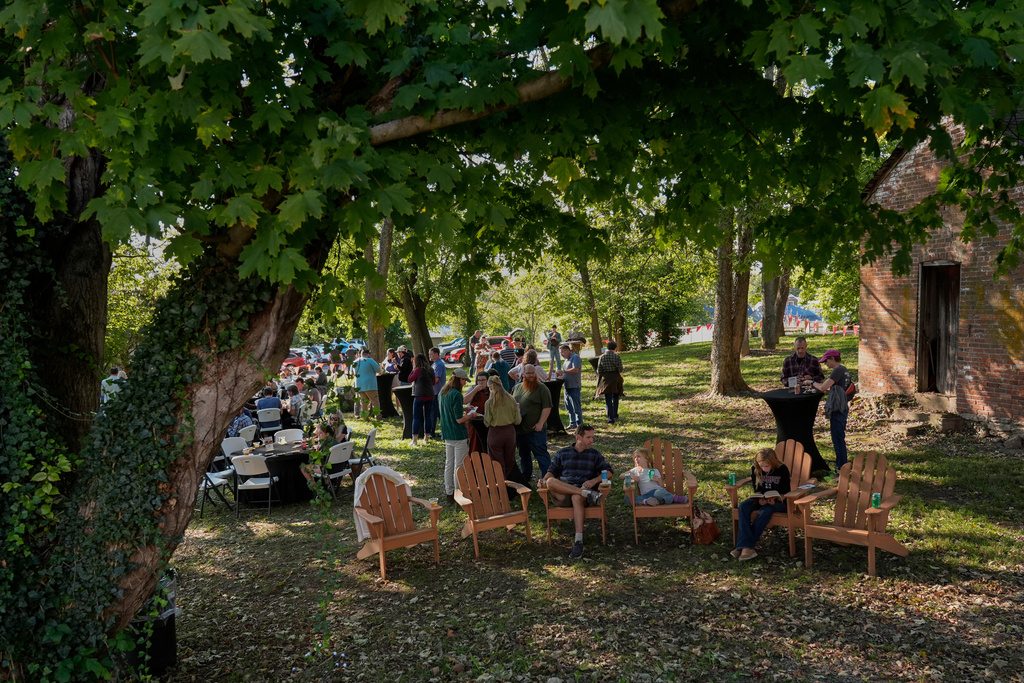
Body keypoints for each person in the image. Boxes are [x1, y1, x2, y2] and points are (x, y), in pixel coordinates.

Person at [542, 424, 611, 559]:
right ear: (579, 437)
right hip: (563, 493)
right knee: (550, 482)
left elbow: (608, 472)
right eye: (588, 437)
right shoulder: (563, 453)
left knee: (576, 497)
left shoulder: (594, 454)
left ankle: (578, 541)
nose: (592, 440)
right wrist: (543, 480)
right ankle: (584, 493)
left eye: (593, 437)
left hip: (581, 495)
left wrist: (594, 481)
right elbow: (551, 471)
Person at [731, 447, 791, 561]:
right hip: (762, 499)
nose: (764, 468)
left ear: (773, 462)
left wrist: (775, 499)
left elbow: (786, 492)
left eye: (766, 466)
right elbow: (757, 490)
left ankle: (744, 546)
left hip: (779, 503)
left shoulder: (782, 469)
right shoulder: (756, 469)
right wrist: (759, 499)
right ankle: (747, 547)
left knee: (766, 510)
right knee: (743, 506)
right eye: (761, 466)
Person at [811, 349, 853, 472]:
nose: (825, 364)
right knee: (838, 438)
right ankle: (841, 465)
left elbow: (823, 387)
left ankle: (841, 468)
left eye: (826, 361)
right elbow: (835, 390)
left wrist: (812, 382)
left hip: (838, 409)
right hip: (842, 407)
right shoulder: (844, 370)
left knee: (837, 438)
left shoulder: (838, 370)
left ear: (832, 359)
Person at [512, 364, 552, 481]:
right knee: (523, 455)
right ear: (523, 374)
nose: (531, 375)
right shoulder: (517, 388)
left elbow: (547, 407)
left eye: (533, 373)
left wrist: (540, 423)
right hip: (520, 429)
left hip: (535, 430)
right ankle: (526, 477)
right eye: (528, 373)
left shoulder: (542, 388)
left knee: (541, 455)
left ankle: (548, 479)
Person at [439, 368, 474, 503]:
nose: (465, 383)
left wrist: (464, 408)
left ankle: (449, 492)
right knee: (459, 466)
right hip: (458, 435)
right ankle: (459, 493)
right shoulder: (457, 394)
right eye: (464, 380)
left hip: (447, 433)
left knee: (449, 464)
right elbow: (459, 419)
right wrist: (471, 415)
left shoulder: (443, 392)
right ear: (460, 380)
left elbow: (450, 409)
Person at [483, 374, 522, 477]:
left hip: (495, 433)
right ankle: (507, 481)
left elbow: (487, 422)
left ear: (490, 387)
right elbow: (518, 420)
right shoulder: (511, 399)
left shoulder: (489, 402)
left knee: (496, 461)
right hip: (510, 432)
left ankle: (500, 482)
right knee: (509, 460)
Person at [621, 448, 688, 506]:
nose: (636, 459)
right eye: (635, 457)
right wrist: (631, 475)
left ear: (647, 459)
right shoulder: (635, 470)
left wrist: (658, 480)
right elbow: (621, 476)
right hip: (646, 495)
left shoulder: (654, 470)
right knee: (628, 498)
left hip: (657, 492)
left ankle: (673, 498)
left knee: (659, 492)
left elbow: (662, 486)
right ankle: (647, 502)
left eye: (638, 456)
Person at [407, 353, 435, 446]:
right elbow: (433, 382)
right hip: (430, 395)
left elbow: (410, 379)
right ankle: (426, 438)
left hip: (419, 395)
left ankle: (414, 439)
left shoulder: (418, 370)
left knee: (416, 417)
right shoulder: (430, 369)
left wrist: (413, 370)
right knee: (428, 416)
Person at [595, 340, 624, 424]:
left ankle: (610, 419)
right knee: (616, 396)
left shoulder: (602, 357)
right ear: (615, 348)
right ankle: (615, 414)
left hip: (606, 379)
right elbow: (620, 369)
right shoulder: (617, 356)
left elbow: (599, 370)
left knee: (608, 398)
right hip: (615, 378)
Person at [556, 343, 583, 429]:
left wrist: (563, 371)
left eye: (562, 352)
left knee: (576, 407)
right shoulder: (566, 360)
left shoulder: (575, 357)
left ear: (568, 350)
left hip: (574, 386)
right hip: (567, 386)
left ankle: (580, 425)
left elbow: (575, 370)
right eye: (560, 353)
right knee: (569, 407)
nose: (561, 354)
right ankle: (572, 423)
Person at [464, 372, 491, 454]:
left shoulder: (491, 390)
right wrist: (475, 390)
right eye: (479, 380)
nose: (481, 382)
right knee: (474, 443)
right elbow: (464, 401)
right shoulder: (472, 388)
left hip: (486, 421)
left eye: (483, 380)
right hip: (473, 420)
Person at [353, 348, 382, 419]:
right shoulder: (370, 360)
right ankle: (378, 416)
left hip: (359, 385)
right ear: (368, 354)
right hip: (370, 384)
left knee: (364, 403)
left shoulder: (355, 362)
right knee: (375, 401)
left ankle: (365, 417)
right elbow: (378, 370)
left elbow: (353, 373)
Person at [428, 346, 446, 439]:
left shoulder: (439, 365)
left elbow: (436, 379)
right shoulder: (434, 364)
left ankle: (432, 432)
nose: (430, 356)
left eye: (431, 354)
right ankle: (444, 430)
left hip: (437, 392)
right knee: (438, 413)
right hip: (435, 392)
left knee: (434, 413)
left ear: (436, 354)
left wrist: (426, 383)